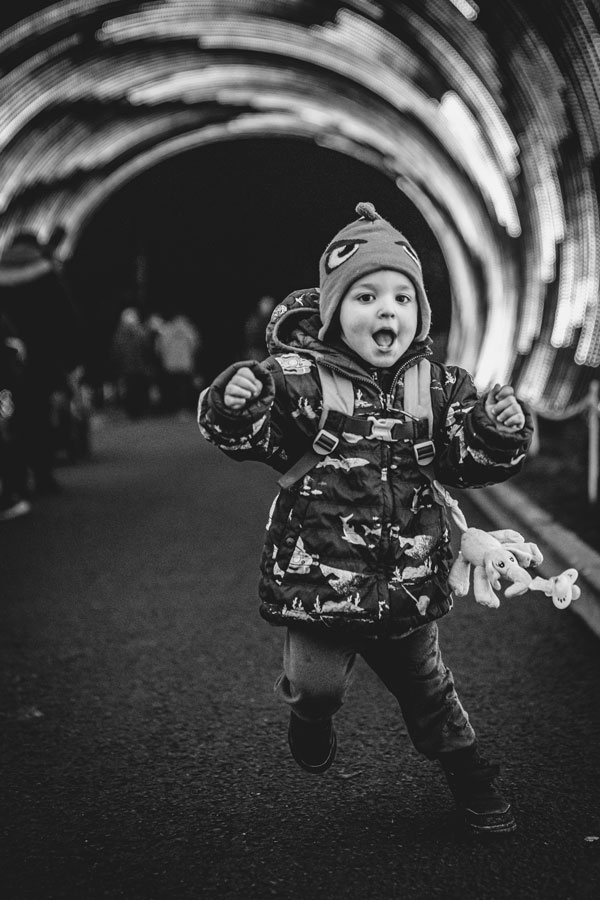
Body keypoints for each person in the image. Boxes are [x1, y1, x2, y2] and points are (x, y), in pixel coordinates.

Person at [198, 202, 532, 835]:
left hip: (407, 584)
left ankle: (470, 775)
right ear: (332, 315)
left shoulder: (438, 387)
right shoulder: (299, 382)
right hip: (322, 583)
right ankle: (310, 717)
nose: (388, 311)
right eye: (367, 296)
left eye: (404, 298)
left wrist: (495, 428)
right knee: (314, 685)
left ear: (420, 313)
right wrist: (237, 402)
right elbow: (250, 434)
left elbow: (470, 456)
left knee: (431, 694)